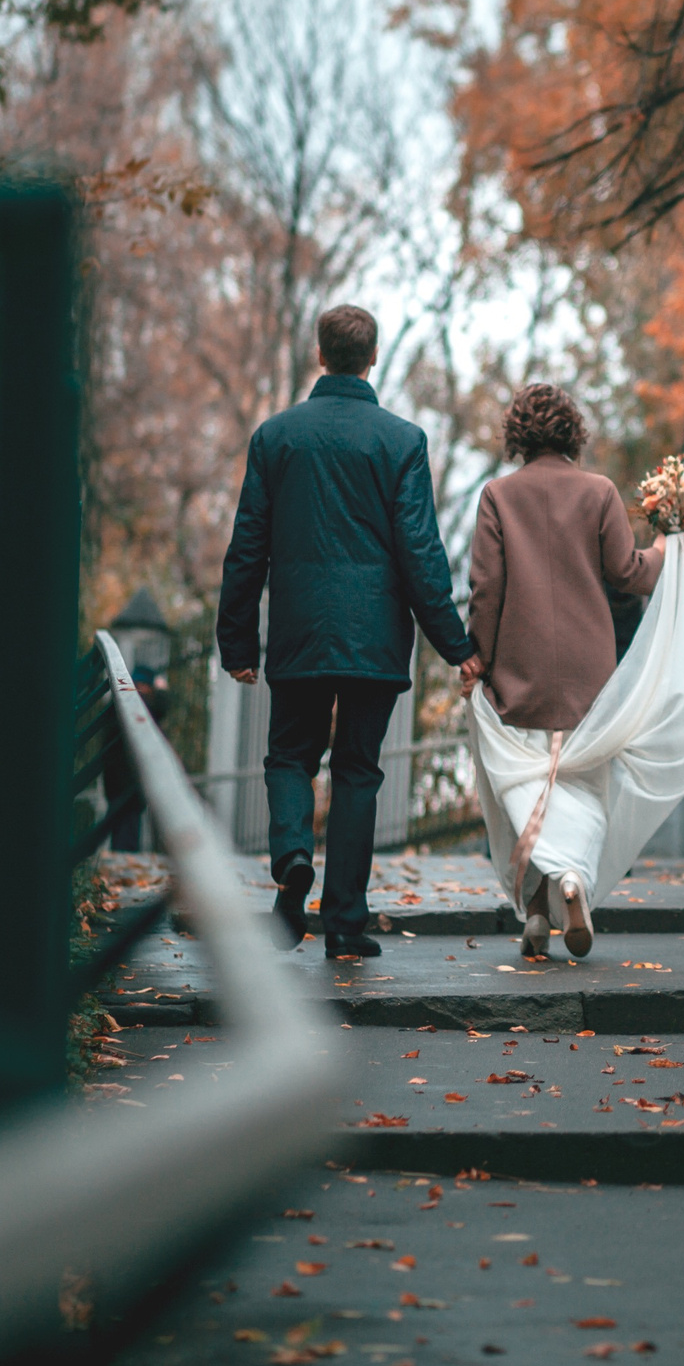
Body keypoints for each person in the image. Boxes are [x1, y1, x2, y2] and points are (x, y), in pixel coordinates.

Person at [217, 305, 478, 959]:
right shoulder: (402, 440)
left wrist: (238, 641)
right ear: (373, 357)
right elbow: (421, 553)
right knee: (359, 771)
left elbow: (246, 546)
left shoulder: (277, 437)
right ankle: (345, 924)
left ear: (320, 353)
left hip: (301, 633)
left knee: (289, 757)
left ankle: (293, 858)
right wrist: (457, 645)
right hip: (374, 639)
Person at [466, 383, 684, 960]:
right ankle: (570, 883)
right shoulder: (598, 492)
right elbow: (627, 572)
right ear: (573, 431)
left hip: (519, 667)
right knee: (580, 780)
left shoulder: (497, 496)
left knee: (527, 780)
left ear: (517, 436)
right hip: (589, 672)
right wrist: (668, 545)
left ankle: (540, 911)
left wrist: (479, 656)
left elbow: (487, 589)